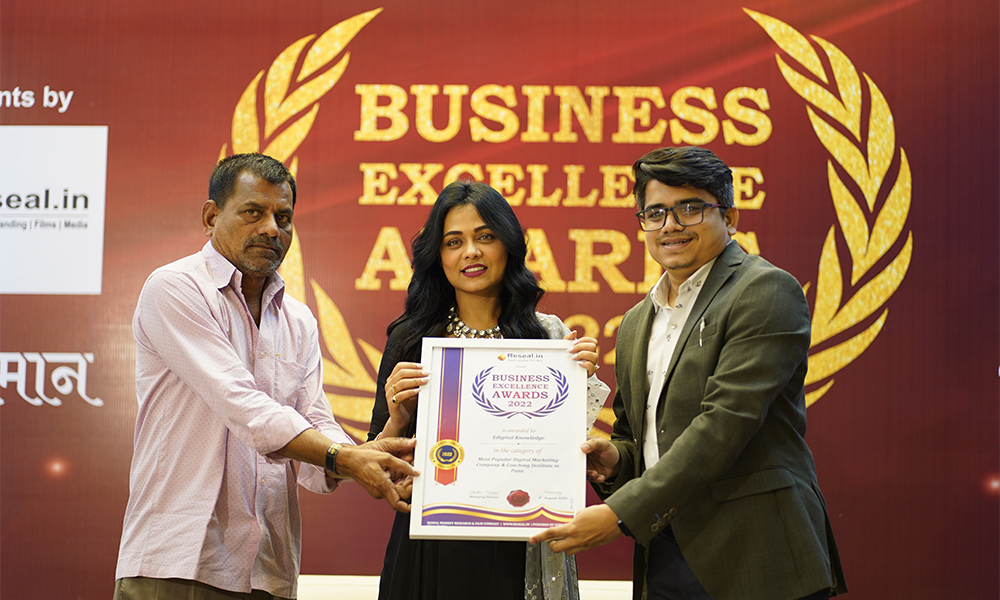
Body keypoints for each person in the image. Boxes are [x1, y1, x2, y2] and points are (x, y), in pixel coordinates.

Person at [530, 147, 848, 600]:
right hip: (664, 554)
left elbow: (725, 425)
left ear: (730, 217)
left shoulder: (764, 290)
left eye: (690, 209)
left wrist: (621, 514)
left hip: (757, 555)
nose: (670, 225)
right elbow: (637, 435)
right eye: (655, 213)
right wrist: (617, 460)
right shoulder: (636, 321)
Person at [114, 153, 418, 600]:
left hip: (269, 570)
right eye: (253, 212)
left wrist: (372, 448)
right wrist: (347, 458)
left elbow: (316, 432)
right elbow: (246, 408)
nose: (272, 229)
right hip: (179, 562)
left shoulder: (299, 320)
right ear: (211, 216)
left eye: (284, 217)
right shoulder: (175, 288)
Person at [367, 181, 610, 600]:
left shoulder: (549, 338)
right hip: (431, 550)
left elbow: (568, 455)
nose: (471, 252)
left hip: (523, 546)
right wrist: (399, 418)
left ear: (508, 245)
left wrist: (576, 382)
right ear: (438, 256)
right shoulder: (412, 340)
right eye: (453, 242)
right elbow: (377, 465)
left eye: (485, 237)